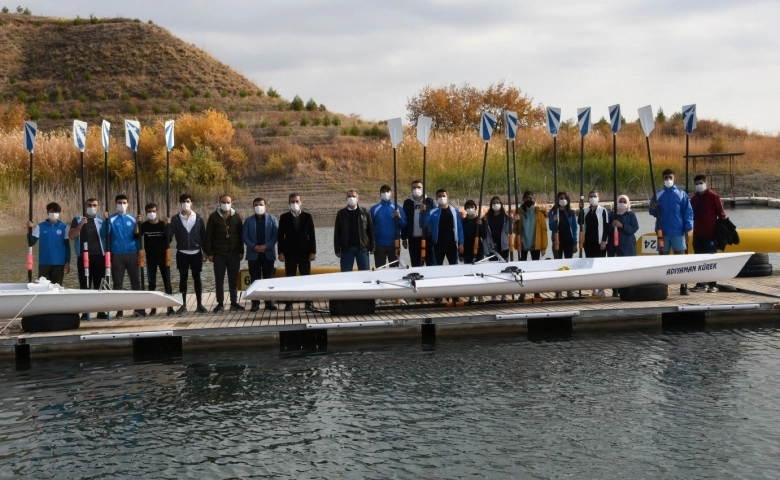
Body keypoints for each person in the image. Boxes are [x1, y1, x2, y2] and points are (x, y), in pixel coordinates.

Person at [649, 168, 693, 295]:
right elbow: (652, 212)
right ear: (663, 179)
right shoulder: (657, 194)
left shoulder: (681, 194)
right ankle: (663, 286)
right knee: (663, 260)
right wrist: (653, 207)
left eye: (670, 177)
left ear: (674, 179)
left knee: (681, 260)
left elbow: (688, 213)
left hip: (678, 232)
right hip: (663, 232)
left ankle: (683, 286)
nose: (668, 179)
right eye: (666, 177)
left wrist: (687, 229)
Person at [168, 194, 208, 314]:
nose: (186, 203)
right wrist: (167, 225)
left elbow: (203, 236)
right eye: (183, 201)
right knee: (183, 279)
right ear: (180, 203)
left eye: (188, 201)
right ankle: (183, 305)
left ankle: (199, 305)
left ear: (191, 203)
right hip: (182, 253)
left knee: (197, 278)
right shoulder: (175, 219)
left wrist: (205, 252)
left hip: (196, 252)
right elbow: (168, 238)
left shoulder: (199, 218)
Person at [205, 194, 244, 312]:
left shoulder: (236, 217)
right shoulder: (213, 217)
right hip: (218, 254)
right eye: (223, 202)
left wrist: (241, 251)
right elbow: (208, 236)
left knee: (233, 279)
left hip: (234, 253)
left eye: (228, 202)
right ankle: (220, 303)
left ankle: (234, 302)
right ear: (219, 202)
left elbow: (241, 236)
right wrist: (209, 253)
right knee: (219, 279)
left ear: (231, 203)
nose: (225, 204)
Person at [69, 198, 108, 319]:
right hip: (84, 257)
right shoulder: (77, 219)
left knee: (100, 285)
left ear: (98, 206)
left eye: (94, 205)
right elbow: (71, 236)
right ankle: (86, 312)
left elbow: (107, 236)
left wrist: (107, 221)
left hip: (99, 257)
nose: (92, 207)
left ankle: (100, 311)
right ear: (85, 206)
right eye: (89, 205)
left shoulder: (101, 220)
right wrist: (81, 225)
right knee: (85, 285)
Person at [278, 193, 316, 312]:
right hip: (289, 253)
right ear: (289, 203)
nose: (295, 203)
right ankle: (289, 303)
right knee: (290, 278)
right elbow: (280, 236)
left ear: (301, 202)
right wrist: (280, 252)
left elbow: (312, 235)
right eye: (292, 202)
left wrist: (313, 251)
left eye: (297, 201)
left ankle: (308, 302)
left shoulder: (307, 216)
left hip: (305, 253)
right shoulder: (284, 217)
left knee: (306, 278)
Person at [689, 174, 727, 293]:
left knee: (711, 260)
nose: (699, 186)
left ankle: (713, 284)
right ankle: (701, 283)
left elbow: (721, 214)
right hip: (698, 234)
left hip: (711, 234)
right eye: (696, 184)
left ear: (706, 183)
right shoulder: (694, 199)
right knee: (699, 259)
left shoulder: (714, 197)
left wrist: (723, 231)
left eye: (701, 183)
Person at [108, 194, 144, 318]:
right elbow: (104, 234)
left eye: (124, 202)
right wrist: (106, 221)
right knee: (118, 283)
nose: (122, 205)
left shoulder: (133, 218)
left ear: (128, 204)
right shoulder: (111, 219)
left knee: (136, 282)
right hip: (117, 254)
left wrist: (138, 224)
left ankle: (139, 308)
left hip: (133, 254)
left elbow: (137, 236)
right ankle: (119, 310)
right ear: (116, 204)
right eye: (119, 202)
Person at [137, 203, 174, 315]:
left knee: (167, 282)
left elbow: (169, 240)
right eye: (149, 211)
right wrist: (137, 223)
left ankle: (170, 307)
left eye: (153, 211)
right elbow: (136, 236)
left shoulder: (163, 224)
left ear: (157, 212)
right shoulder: (144, 225)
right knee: (151, 283)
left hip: (163, 257)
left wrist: (168, 225)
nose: (151, 213)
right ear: (146, 213)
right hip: (150, 258)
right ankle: (153, 308)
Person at [242, 197, 278, 312]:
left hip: (268, 253)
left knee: (269, 279)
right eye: (256, 205)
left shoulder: (272, 219)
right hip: (254, 254)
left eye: (261, 204)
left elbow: (275, 235)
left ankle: (269, 302)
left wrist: (266, 246)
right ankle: (255, 303)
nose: (259, 207)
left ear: (265, 206)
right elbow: (245, 236)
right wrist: (253, 246)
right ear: (253, 207)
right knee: (255, 279)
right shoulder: (248, 221)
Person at [27, 202, 70, 286]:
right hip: (44, 263)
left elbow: (67, 246)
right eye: (52, 211)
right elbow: (31, 242)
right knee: (42, 287)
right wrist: (29, 230)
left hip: (59, 263)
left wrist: (67, 262)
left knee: (56, 288)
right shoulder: (41, 226)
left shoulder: (64, 227)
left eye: (56, 212)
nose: (54, 214)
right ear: (47, 212)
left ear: (59, 213)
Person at [334, 189, 374, 272]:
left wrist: (373, 247)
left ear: (358, 198)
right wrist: (337, 249)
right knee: (345, 274)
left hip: (362, 248)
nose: (351, 198)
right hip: (346, 249)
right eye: (349, 196)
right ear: (346, 199)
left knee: (365, 274)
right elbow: (337, 232)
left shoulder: (365, 212)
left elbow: (370, 230)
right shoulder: (341, 213)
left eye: (353, 196)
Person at [608, 195, 639, 297]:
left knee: (628, 268)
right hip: (614, 245)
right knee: (615, 268)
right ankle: (615, 290)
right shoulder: (612, 215)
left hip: (628, 245)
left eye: (624, 201)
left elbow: (634, 228)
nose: (621, 203)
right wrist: (612, 226)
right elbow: (607, 229)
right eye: (620, 201)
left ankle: (628, 289)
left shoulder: (631, 215)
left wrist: (622, 226)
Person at [548, 191, 578, 298]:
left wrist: (575, 242)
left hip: (568, 241)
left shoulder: (571, 213)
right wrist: (554, 221)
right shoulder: (553, 212)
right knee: (558, 265)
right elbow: (551, 227)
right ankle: (558, 290)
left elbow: (574, 228)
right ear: (557, 200)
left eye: (564, 198)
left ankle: (570, 289)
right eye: (561, 198)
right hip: (557, 241)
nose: (563, 200)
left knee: (568, 266)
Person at [370, 184, 407, 269]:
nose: (385, 193)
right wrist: (371, 244)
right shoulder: (374, 209)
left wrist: (399, 217)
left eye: (387, 191)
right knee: (379, 268)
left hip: (394, 244)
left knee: (395, 268)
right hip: (379, 245)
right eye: (383, 192)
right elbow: (370, 227)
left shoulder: (398, 208)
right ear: (380, 194)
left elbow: (404, 225)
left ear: (391, 193)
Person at [401, 180, 436, 267]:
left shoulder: (429, 201)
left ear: (423, 188)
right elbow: (405, 220)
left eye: (419, 187)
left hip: (427, 238)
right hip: (413, 239)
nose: (417, 189)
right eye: (414, 187)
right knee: (416, 265)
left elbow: (435, 219)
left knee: (431, 264)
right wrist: (404, 238)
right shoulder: (407, 203)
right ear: (411, 189)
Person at [426, 188, 464, 265]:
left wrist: (461, 243)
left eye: (443, 196)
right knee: (437, 268)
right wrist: (422, 213)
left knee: (454, 266)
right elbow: (423, 224)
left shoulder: (454, 211)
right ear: (436, 198)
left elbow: (459, 228)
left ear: (447, 197)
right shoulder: (432, 212)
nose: (442, 198)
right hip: (438, 244)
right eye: (439, 196)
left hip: (452, 244)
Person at [513, 190, 548, 261]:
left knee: (535, 266)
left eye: (530, 198)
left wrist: (543, 247)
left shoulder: (539, 213)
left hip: (535, 244)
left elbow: (543, 230)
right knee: (521, 266)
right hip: (522, 245)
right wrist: (515, 221)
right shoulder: (518, 212)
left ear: (534, 199)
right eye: (526, 198)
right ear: (523, 199)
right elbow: (515, 231)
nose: (528, 200)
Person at [480, 195, 512, 261]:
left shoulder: (505, 217)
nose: (496, 204)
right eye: (494, 203)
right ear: (491, 205)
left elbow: (508, 231)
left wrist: (511, 220)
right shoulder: (486, 219)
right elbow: (484, 235)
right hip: (491, 245)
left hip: (503, 245)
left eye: (498, 203)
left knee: (504, 265)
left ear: (501, 204)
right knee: (493, 266)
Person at [461, 200, 484, 264]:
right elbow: (460, 237)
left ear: (475, 208)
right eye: (468, 207)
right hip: (467, 249)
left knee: (479, 269)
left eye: (472, 206)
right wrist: (460, 253)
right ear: (465, 209)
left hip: (478, 248)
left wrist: (481, 225)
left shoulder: (480, 220)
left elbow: (484, 235)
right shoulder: (463, 222)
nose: (470, 208)